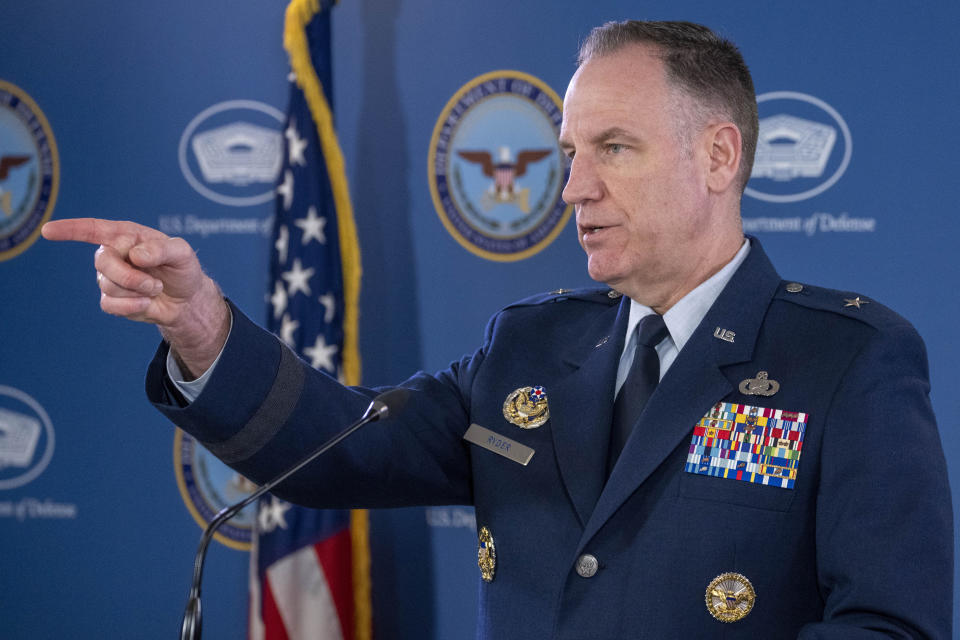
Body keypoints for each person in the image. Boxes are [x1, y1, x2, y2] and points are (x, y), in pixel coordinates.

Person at [43, 20, 952, 639]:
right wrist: (203, 329)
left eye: (614, 150)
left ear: (719, 155)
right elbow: (340, 449)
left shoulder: (846, 362)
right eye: (569, 155)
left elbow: (891, 625)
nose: (573, 190)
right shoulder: (528, 350)